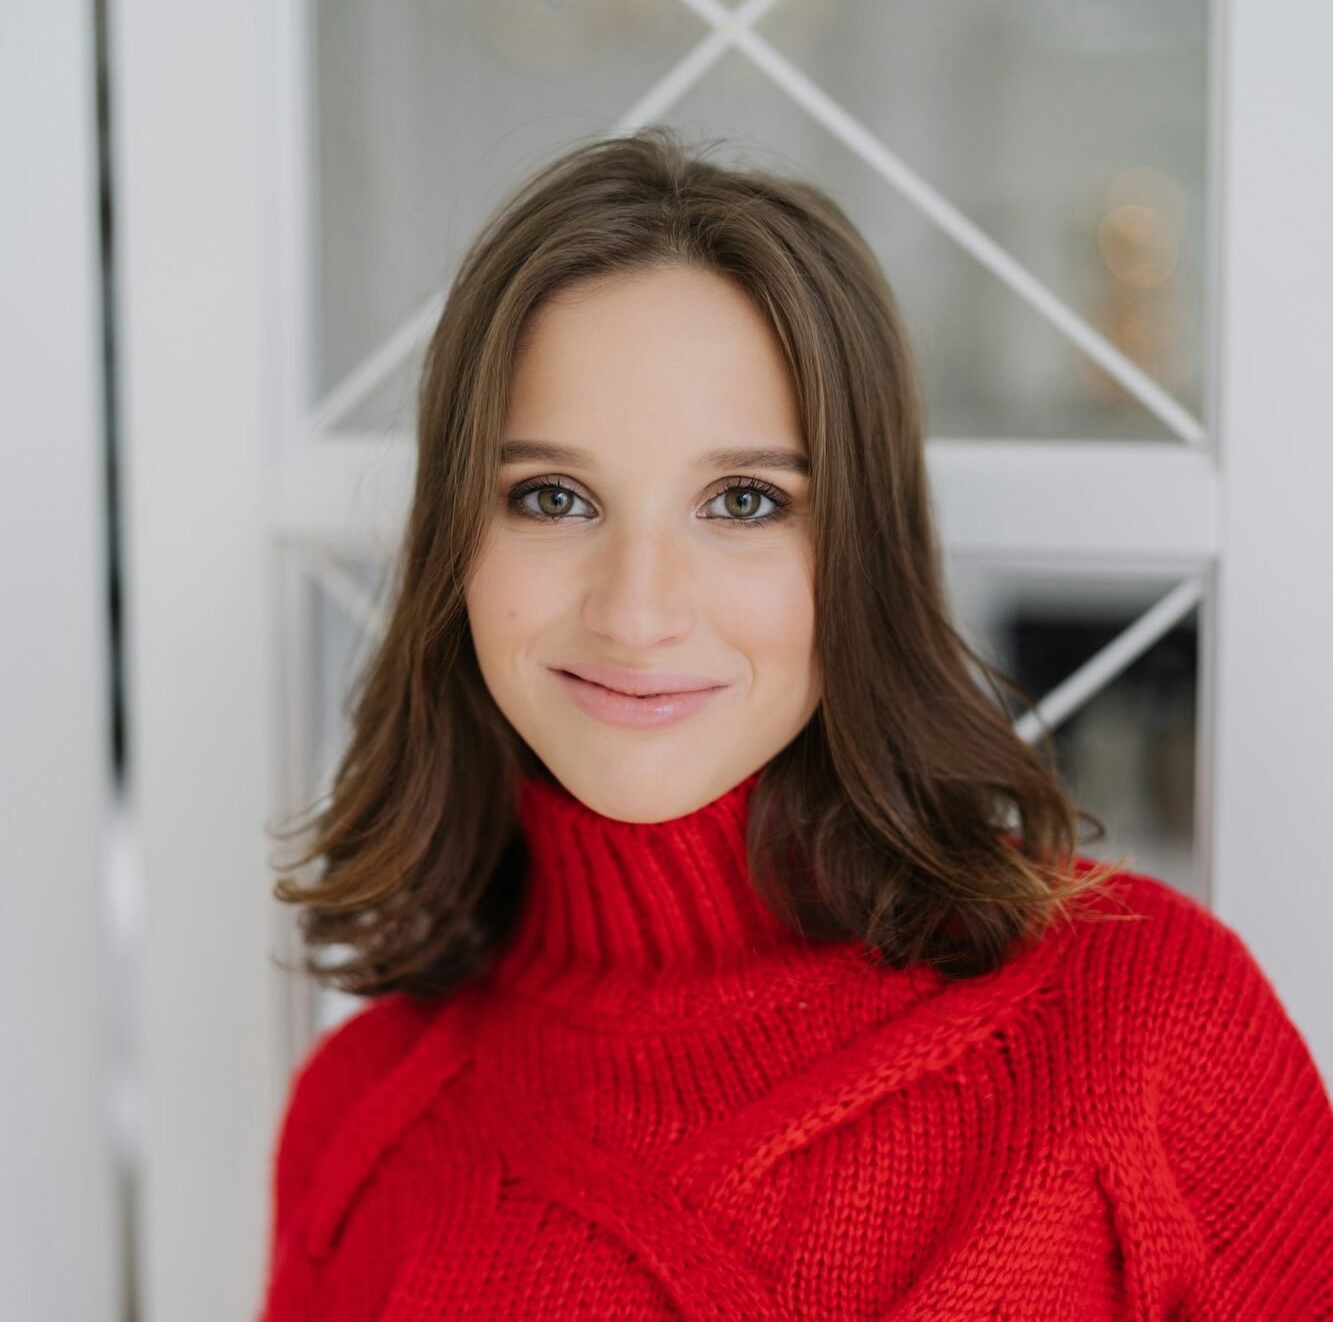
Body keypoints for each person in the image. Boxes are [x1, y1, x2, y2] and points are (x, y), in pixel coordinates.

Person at [258, 128, 1333, 1320]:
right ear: (456, 540)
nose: (637, 608)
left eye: (745, 500)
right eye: (551, 497)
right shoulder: (360, 1119)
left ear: (859, 549)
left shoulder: (1147, 1023)